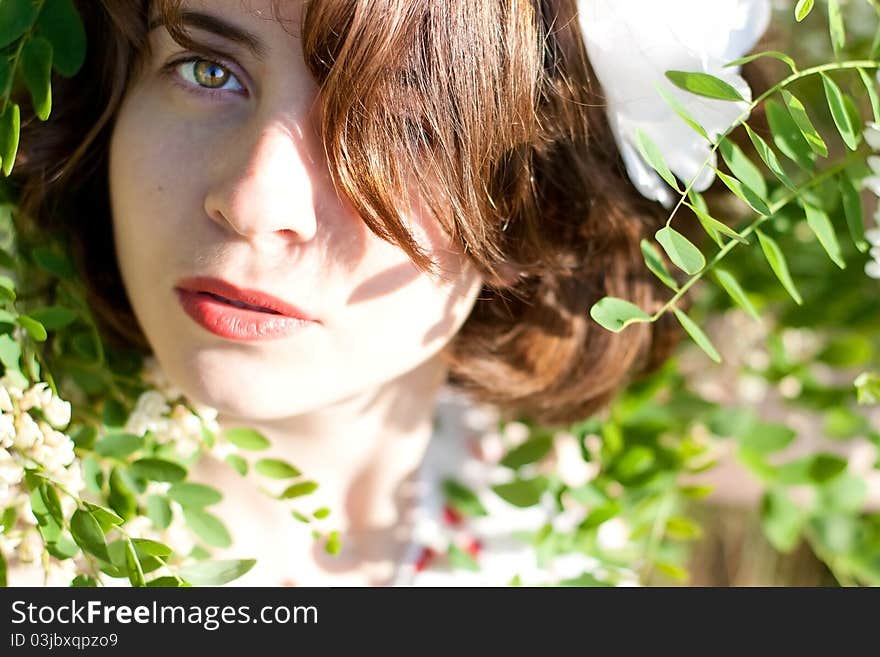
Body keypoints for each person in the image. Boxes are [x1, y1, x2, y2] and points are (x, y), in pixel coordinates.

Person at [11, 0, 764, 585]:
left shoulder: (556, 514)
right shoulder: (32, 531)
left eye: (399, 124)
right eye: (208, 70)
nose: (254, 201)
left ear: (543, 204)